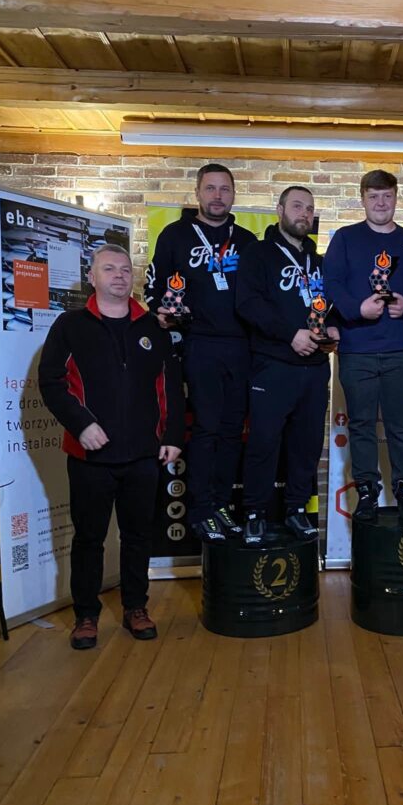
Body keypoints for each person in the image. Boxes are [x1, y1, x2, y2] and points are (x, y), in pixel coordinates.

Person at [39, 245, 184, 650]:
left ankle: (136, 607)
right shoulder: (70, 325)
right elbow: (51, 382)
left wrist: (173, 436)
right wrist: (81, 424)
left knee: (138, 537)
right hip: (90, 455)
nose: (119, 275)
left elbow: (171, 386)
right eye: (108, 269)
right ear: (92, 277)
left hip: (143, 454)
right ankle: (86, 615)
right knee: (89, 538)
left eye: (124, 269)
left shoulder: (154, 327)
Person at [144, 163, 256, 543]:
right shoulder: (175, 235)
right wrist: (160, 310)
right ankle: (200, 509)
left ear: (233, 194)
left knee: (232, 430)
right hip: (199, 343)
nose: (217, 196)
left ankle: (221, 504)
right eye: (210, 188)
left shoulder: (247, 241)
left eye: (225, 189)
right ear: (197, 193)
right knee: (206, 427)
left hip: (241, 346)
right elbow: (154, 285)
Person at [235, 186, 338, 547]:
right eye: (297, 206)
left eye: (309, 209)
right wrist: (289, 335)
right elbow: (248, 304)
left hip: (315, 368)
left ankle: (296, 508)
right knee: (264, 442)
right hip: (273, 365)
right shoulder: (258, 254)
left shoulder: (318, 261)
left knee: (306, 445)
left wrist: (333, 329)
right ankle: (254, 513)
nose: (304, 214)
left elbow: (326, 306)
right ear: (279, 210)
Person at [324, 169, 403, 522]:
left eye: (387, 196)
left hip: (400, 348)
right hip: (356, 348)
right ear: (362, 199)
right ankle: (367, 492)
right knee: (361, 425)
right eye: (374, 196)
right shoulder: (345, 238)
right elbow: (330, 283)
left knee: (401, 425)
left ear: (396, 198)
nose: (381, 203)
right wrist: (356, 309)